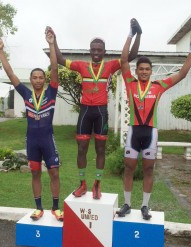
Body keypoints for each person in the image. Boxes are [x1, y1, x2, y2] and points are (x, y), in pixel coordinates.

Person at [45, 25, 141, 199]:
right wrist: (54, 40)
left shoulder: (111, 65)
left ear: (104, 51)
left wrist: (137, 34)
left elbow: (131, 56)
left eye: (99, 49)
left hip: (101, 112)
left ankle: (97, 183)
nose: (96, 52)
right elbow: (59, 59)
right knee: (81, 149)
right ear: (90, 51)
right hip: (85, 112)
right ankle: (82, 184)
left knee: (100, 149)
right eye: (93, 49)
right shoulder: (81, 66)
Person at [116, 18, 191, 220]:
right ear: (137, 71)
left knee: (149, 168)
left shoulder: (159, 85)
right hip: (134, 131)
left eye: (147, 69)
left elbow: (183, 74)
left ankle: (144, 206)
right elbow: (124, 60)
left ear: (150, 72)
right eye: (140, 69)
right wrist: (130, 35)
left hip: (150, 132)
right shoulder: (130, 82)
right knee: (129, 168)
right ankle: (126, 204)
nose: (143, 72)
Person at [0, 31, 64, 221]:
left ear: (45, 79)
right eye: (34, 77)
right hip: (32, 141)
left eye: (40, 77)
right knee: (35, 173)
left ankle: (56, 208)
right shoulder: (25, 93)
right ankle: (38, 208)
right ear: (31, 79)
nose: (37, 80)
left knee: (54, 172)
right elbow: (10, 73)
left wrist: (51, 44)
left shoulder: (51, 92)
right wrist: (1, 52)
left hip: (47, 139)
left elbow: (55, 70)